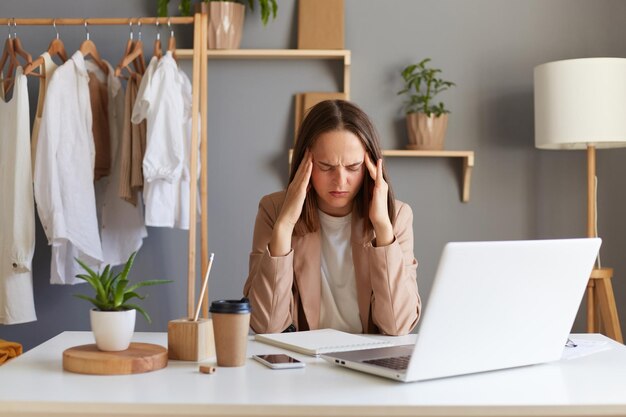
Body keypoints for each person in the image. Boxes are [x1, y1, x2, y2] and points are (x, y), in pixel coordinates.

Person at [244, 100, 420, 336]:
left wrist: (383, 229)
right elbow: (265, 325)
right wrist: (284, 226)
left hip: (367, 361)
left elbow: (398, 326)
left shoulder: (396, 216)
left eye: (353, 167)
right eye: (326, 167)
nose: (340, 181)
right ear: (304, 164)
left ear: (371, 167)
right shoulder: (273, 210)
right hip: (304, 362)